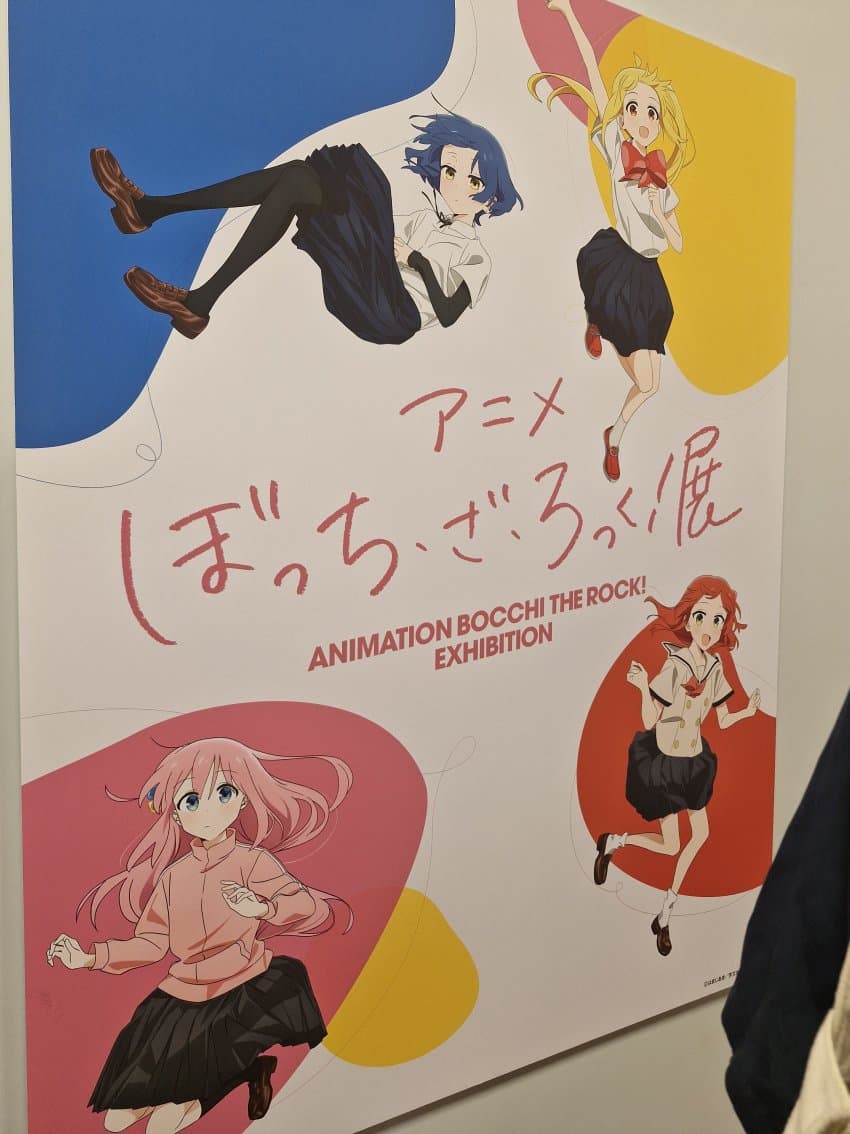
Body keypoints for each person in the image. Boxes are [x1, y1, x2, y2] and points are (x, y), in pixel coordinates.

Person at [47, 737, 352, 1133]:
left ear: (243, 799)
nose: (207, 809)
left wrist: (262, 909)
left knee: (162, 1126)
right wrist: (89, 958)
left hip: (243, 988)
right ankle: (250, 1069)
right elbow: (151, 944)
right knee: (116, 1122)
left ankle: (237, 1073)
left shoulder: (253, 862)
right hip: (181, 999)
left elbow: (305, 903)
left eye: (223, 793)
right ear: (176, 815)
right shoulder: (173, 878)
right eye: (191, 800)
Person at [89, 112, 522, 343]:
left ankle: (152, 214)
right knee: (299, 179)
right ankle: (157, 226)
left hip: (392, 313)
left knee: (366, 180)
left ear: (493, 196)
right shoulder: (424, 219)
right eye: (449, 172)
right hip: (367, 282)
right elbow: (379, 237)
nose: (456, 185)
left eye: (474, 182)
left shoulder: (476, 256)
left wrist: (416, 260)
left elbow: (448, 313)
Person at [529, 0, 693, 481]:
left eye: (651, 112)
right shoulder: (615, 148)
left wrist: (661, 212)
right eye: (634, 108)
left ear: (659, 123)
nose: (642, 118)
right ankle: (596, 320)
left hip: (648, 276)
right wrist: (568, 13)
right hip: (618, 260)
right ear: (623, 113)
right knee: (633, 355)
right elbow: (594, 76)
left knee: (651, 384)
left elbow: (678, 243)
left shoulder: (661, 180)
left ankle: (614, 435)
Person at [593, 577, 760, 955]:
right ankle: (615, 842)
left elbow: (722, 720)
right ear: (687, 619)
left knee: (699, 836)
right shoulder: (675, 664)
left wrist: (747, 712)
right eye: (701, 616)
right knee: (671, 846)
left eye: (717, 620)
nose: (708, 627)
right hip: (665, 763)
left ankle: (666, 911)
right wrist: (641, 686)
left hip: (694, 765)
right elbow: (650, 719)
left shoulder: (715, 667)